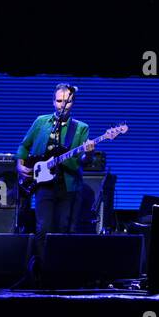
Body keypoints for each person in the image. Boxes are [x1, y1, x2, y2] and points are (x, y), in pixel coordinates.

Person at [16, 84, 97, 235]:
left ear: (73, 103)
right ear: (53, 102)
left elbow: (84, 161)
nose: (63, 106)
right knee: (43, 228)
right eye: (59, 101)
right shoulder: (41, 122)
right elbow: (24, 146)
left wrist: (90, 153)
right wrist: (20, 165)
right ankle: (41, 259)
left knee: (64, 229)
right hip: (43, 184)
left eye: (68, 102)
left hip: (68, 185)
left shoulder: (80, 128)